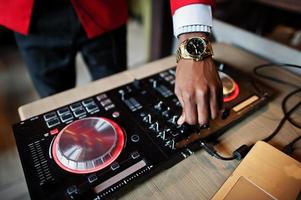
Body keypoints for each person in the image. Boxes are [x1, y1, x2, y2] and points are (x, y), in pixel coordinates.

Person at [0, 0, 221, 126]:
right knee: (54, 112)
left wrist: (194, 42)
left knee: (115, 103)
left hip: (101, 9)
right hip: (28, 17)